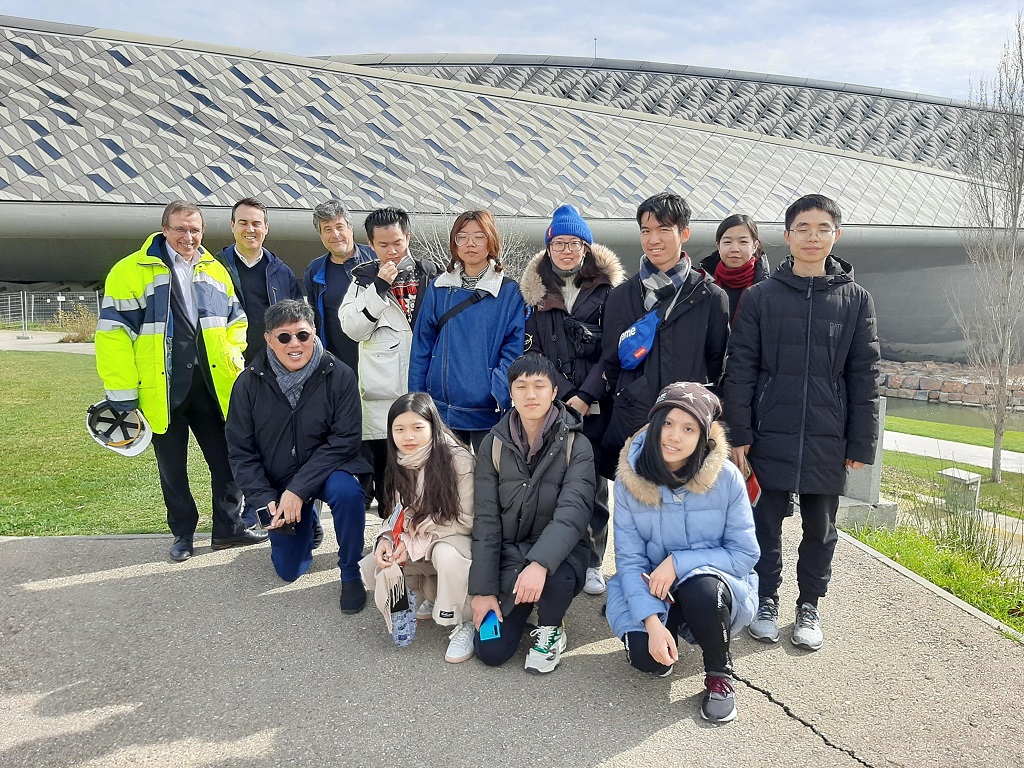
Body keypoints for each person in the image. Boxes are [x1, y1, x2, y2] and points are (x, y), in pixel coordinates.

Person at [723, 194, 880, 651]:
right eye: (803, 229)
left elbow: (865, 375)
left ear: (837, 235)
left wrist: (860, 443)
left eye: (823, 229)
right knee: (763, 524)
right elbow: (742, 369)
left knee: (821, 528)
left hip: (828, 433)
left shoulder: (856, 300)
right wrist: (739, 434)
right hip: (770, 428)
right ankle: (766, 599)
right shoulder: (760, 297)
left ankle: (809, 603)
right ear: (787, 236)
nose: (813, 237)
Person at [96, 200, 267, 562]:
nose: (188, 236)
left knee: (227, 463)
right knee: (172, 470)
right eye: (180, 229)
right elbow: (112, 336)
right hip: (162, 388)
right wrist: (123, 393)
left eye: (195, 229)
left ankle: (228, 529)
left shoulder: (215, 270)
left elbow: (237, 322)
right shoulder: (129, 272)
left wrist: (233, 359)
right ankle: (184, 534)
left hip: (211, 387)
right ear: (164, 229)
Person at [605, 382, 759, 724]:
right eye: (669, 424)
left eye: (688, 428)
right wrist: (651, 623)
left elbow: (745, 553)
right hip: (650, 586)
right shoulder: (630, 480)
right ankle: (666, 628)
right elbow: (629, 561)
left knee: (701, 589)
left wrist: (678, 563)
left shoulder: (728, 478)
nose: (674, 437)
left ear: (703, 437)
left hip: (709, 583)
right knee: (650, 662)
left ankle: (719, 674)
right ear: (655, 424)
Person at [225, 299, 373, 613]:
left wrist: (298, 490)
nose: (295, 344)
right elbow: (241, 452)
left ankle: (350, 571)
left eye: (303, 335)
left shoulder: (339, 374)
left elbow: (345, 440)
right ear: (268, 339)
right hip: (278, 477)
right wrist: (264, 497)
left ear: (314, 333)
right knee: (289, 570)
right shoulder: (247, 385)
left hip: (330, 469)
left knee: (348, 493)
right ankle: (307, 520)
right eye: (284, 337)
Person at [520, 204, 625, 596]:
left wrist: (585, 395)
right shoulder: (534, 293)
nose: (567, 250)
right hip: (551, 405)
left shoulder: (607, 291)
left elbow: (613, 352)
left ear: (586, 248)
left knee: (595, 485)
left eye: (575, 243)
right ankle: (562, 554)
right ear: (548, 247)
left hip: (597, 405)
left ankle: (595, 560)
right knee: (555, 485)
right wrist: (562, 396)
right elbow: (532, 354)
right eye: (559, 242)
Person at [468, 354, 596, 674]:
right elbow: (485, 520)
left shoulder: (576, 445)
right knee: (491, 650)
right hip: (510, 555)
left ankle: (552, 627)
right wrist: (483, 591)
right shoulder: (492, 445)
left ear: (554, 392)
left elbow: (572, 513)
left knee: (557, 578)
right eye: (521, 386)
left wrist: (539, 563)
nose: (531, 394)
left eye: (540, 385)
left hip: (560, 555)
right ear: (510, 393)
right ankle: (522, 604)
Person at [600, 192, 730, 476]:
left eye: (663, 229)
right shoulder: (621, 297)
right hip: (633, 424)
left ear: (684, 232)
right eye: (646, 231)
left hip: (688, 426)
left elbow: (716, 362)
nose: (653, 239)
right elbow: (611, 361)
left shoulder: (709, 296)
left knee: (687, 510)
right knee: (636, 510)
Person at [359, 393, 476, 662]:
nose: (408, 437)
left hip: (457, 539)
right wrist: (387, 537)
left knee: (444, 555)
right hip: (423, 535)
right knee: (382, 559)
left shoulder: (458, 460)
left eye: (417, 428)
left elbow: (467, 520)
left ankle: (467, 620)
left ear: (433, 426)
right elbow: (400, 513)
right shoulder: (402, 460)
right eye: (399, 429)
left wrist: (414, 537)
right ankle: (429, 592)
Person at [341, 207, 437, 513]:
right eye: (383, 245)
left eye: (398, 242)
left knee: (429, 472)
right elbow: (353, 329)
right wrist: (379, 289)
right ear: (371, 245)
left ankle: (424, 540)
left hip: (425, 389)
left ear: (408, 237)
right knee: (387, 478)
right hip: (382, 394)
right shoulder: (362, 279)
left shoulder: (430, 274)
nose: (392, 250)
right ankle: (389, 539)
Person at [409, 210, 525, 452]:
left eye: (479, 237)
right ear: (454, 242)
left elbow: (513, 348)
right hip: (442, 408)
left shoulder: (508, 291)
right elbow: (421, 346)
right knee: (446, 483)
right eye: (462, 237)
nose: (470, 244)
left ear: (491, 241)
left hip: (487, 409)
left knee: (489, 482)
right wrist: (417, 400)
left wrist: (497, 389)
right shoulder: (439, 288)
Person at [214, 197, 303, 364]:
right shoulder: (214, 269)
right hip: (226, 366)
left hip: (273, 368)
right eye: (243, 222)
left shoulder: (283, 273)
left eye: (256, 223)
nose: (250, 229)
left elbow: (299, 323)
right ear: (232, 225)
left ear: (266, 228)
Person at [303, 199, 375, 375]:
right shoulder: (315, 271)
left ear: (350, 228)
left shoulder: (375, 258)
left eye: (339, 227)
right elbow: (314, 320)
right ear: (321, 236)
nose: (335, 234)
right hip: (336, 366)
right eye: (327, 229)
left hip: (376, 361)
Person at [698, 214, 770, 322]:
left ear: (755, 246)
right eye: (727, 242)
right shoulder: (700, 284)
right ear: (718, 246)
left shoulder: (768, 289)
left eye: (743, 242)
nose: (735, 249)